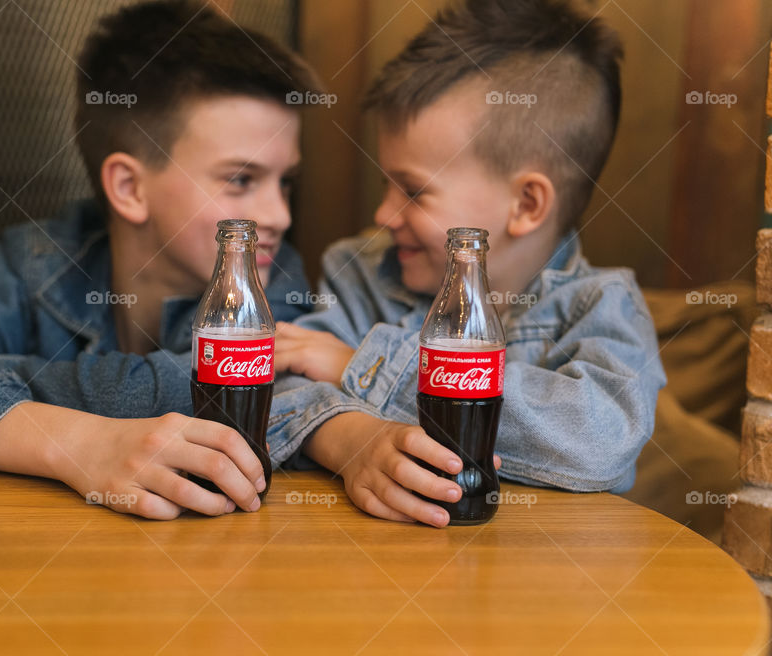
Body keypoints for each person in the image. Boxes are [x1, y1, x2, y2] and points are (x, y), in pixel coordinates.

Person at [0, 0, 320, 520]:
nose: (279, 214)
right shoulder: (38, 261)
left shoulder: (277, 281)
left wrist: (13, 391)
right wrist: (80, 441)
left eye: (284, 181)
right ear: (130, 187)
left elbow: (271, 408)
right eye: (241, 179)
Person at [269, 0, 666, 528]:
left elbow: (601, 438)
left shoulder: (603, 305)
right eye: (386, 184)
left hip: (543, 581)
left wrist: (365, 366)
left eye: (412, 191)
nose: (384, 213)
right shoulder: (364, 275)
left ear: (526, 205)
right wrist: (349, 441)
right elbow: (281, 382)